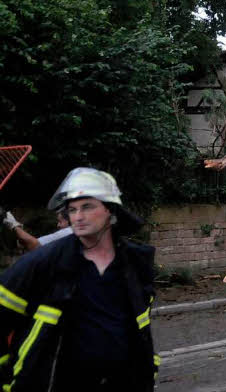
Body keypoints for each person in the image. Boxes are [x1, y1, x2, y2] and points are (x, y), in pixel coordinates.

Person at [0, 167, 157, 390]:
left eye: (87, 207)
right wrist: (9, 378)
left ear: (111, 211)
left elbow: (142, 331)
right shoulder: (44, 263)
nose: (78, 216)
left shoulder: (135, 263)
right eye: (72, 210)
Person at [3, 208, 73, 251]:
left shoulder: (69, 232)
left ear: (70, 220)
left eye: (60, 221)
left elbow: (35, 245)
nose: (58, 225)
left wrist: (14, 225)